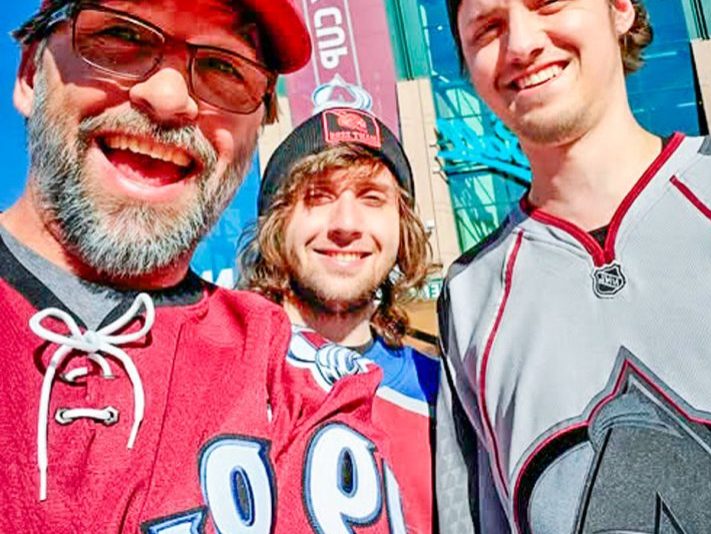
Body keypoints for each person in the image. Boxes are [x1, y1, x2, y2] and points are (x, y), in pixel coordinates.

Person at [0, 1, 408, 532]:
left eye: (223, 67)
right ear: (31, 73)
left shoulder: (301, 385)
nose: (169, 99)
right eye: (120, 35)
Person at [436, 0, 711, 532]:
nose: (521, 44)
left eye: (547, 4)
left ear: (620, 9)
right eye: (488, 28)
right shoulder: (470, 299)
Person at [238, 107, 441, 533]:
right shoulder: (222, 380)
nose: (346, 224)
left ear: (402, 228)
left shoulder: (444, 394)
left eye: (371, 198)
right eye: (318, 196)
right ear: (277, 223)